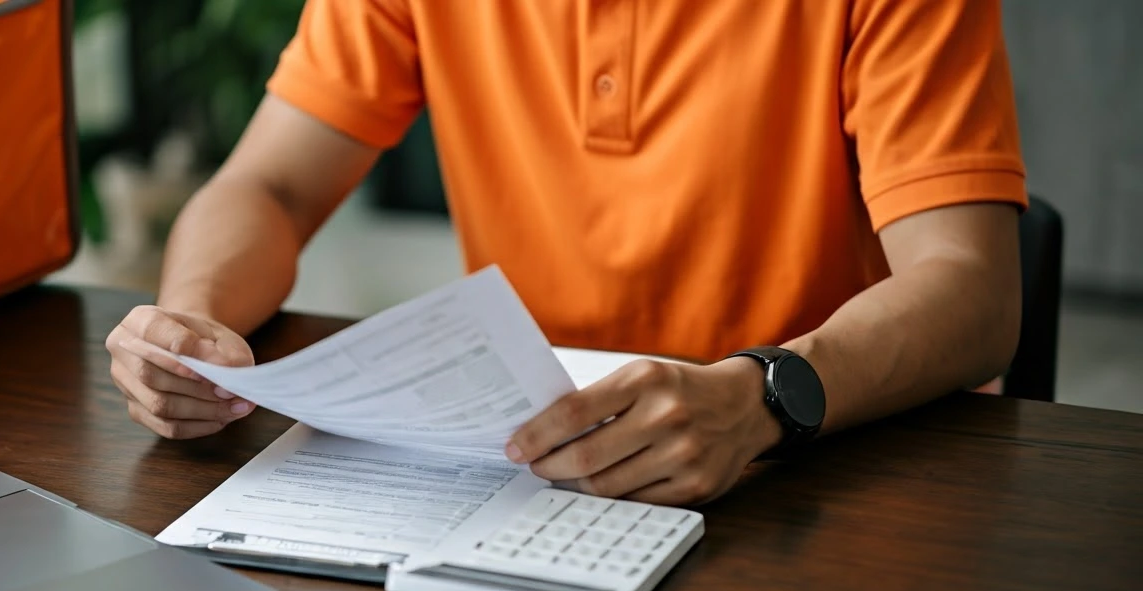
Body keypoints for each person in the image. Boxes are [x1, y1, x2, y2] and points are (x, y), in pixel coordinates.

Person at [105, 0, 1026, 506]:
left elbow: (972, 289)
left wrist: (759, 398)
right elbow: (271, 186)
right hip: (536, 465)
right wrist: (193, 317)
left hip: (817, 470)